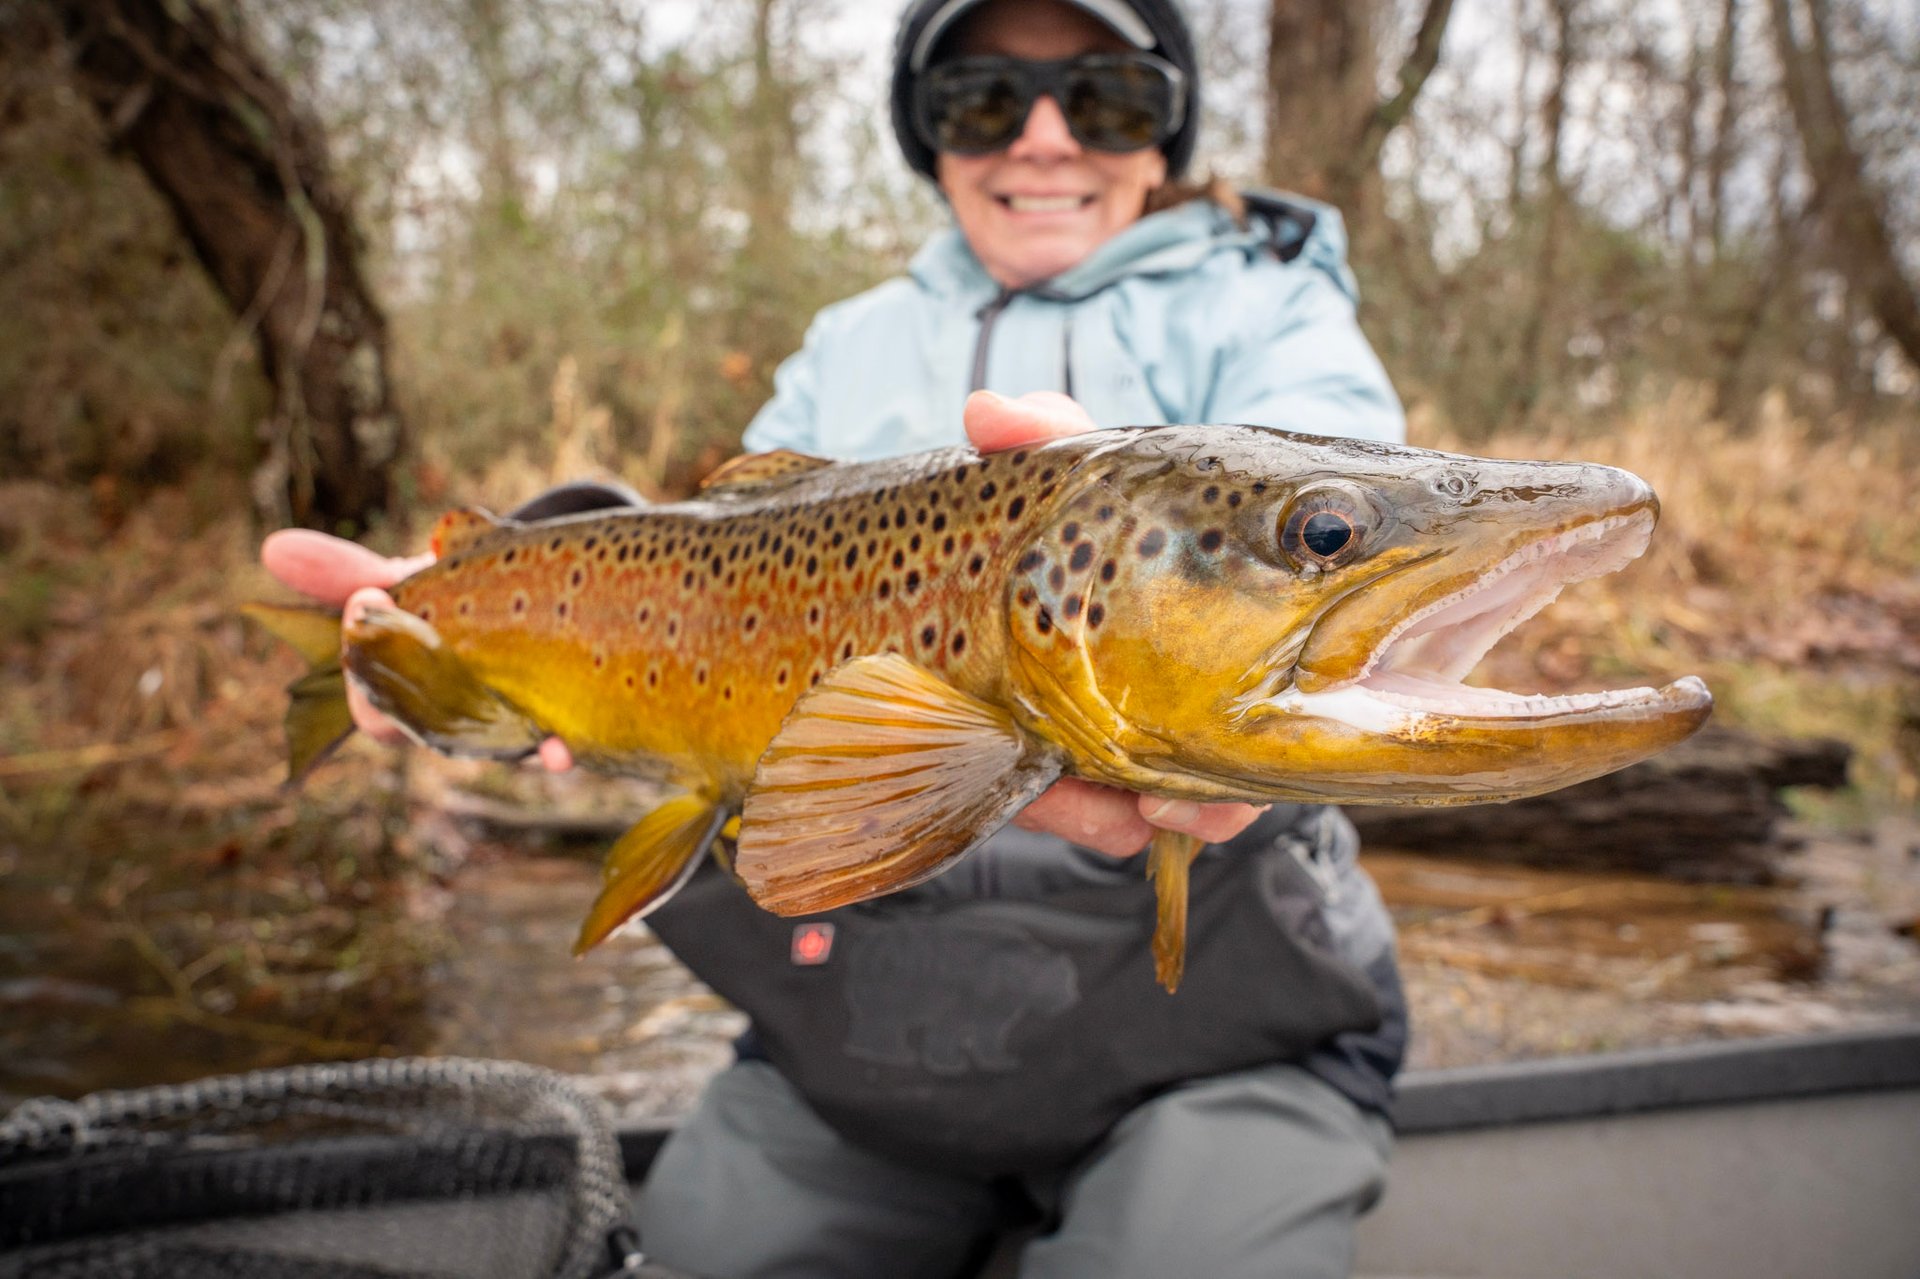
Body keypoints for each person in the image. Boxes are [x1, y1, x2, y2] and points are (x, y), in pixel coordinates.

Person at [264, 0, 1409, 1274]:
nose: (1042, 138)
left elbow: (1350, 509)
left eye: (1104, 98)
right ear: (929, 135)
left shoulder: (1272, 313)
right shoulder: (850, 338)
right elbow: (719, 559)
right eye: (983, 100)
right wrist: (500, 594)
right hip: (866, 1031)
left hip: (1229, 1031)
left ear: (1164, 131)